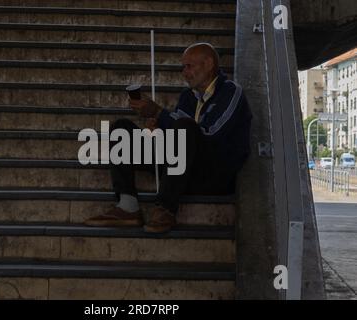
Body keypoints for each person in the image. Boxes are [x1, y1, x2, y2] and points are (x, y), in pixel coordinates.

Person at [84, 43, 252, 233]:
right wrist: (156, 128)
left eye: (189, 66)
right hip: (179, 169)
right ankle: (127, 206)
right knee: (121, 128)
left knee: (186, 126)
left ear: (208, 64)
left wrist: (160, 113)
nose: (184, 72)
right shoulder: (188, 97)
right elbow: (176, 136)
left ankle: (165, 208)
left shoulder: (230, 92)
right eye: (183, 67)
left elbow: (210, 134)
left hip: (212, 174)